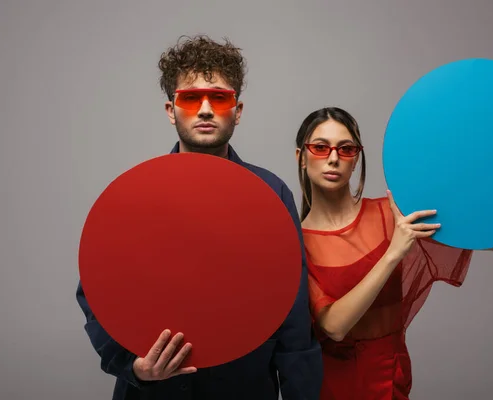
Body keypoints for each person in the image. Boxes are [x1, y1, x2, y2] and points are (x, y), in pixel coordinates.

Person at [76, 35, 323, 400]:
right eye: (190, 98)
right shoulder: (137, 195)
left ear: (237, 111)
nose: (205, 109)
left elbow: (293, 313)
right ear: (170, 110)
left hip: (242, 387)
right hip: (154, 392)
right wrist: (133, 366)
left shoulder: (271, 193)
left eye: (219, 98)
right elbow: (97, 291)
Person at [293, 107, 493, 400]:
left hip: (391, 381)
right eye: (319, 147)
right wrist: (393, 253)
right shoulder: (295, 242)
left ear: (356, 160)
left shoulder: (391, 215)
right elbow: (333, 326)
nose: (332, 158)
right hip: (330, 386)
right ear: (301, 157)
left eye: (346, 149)